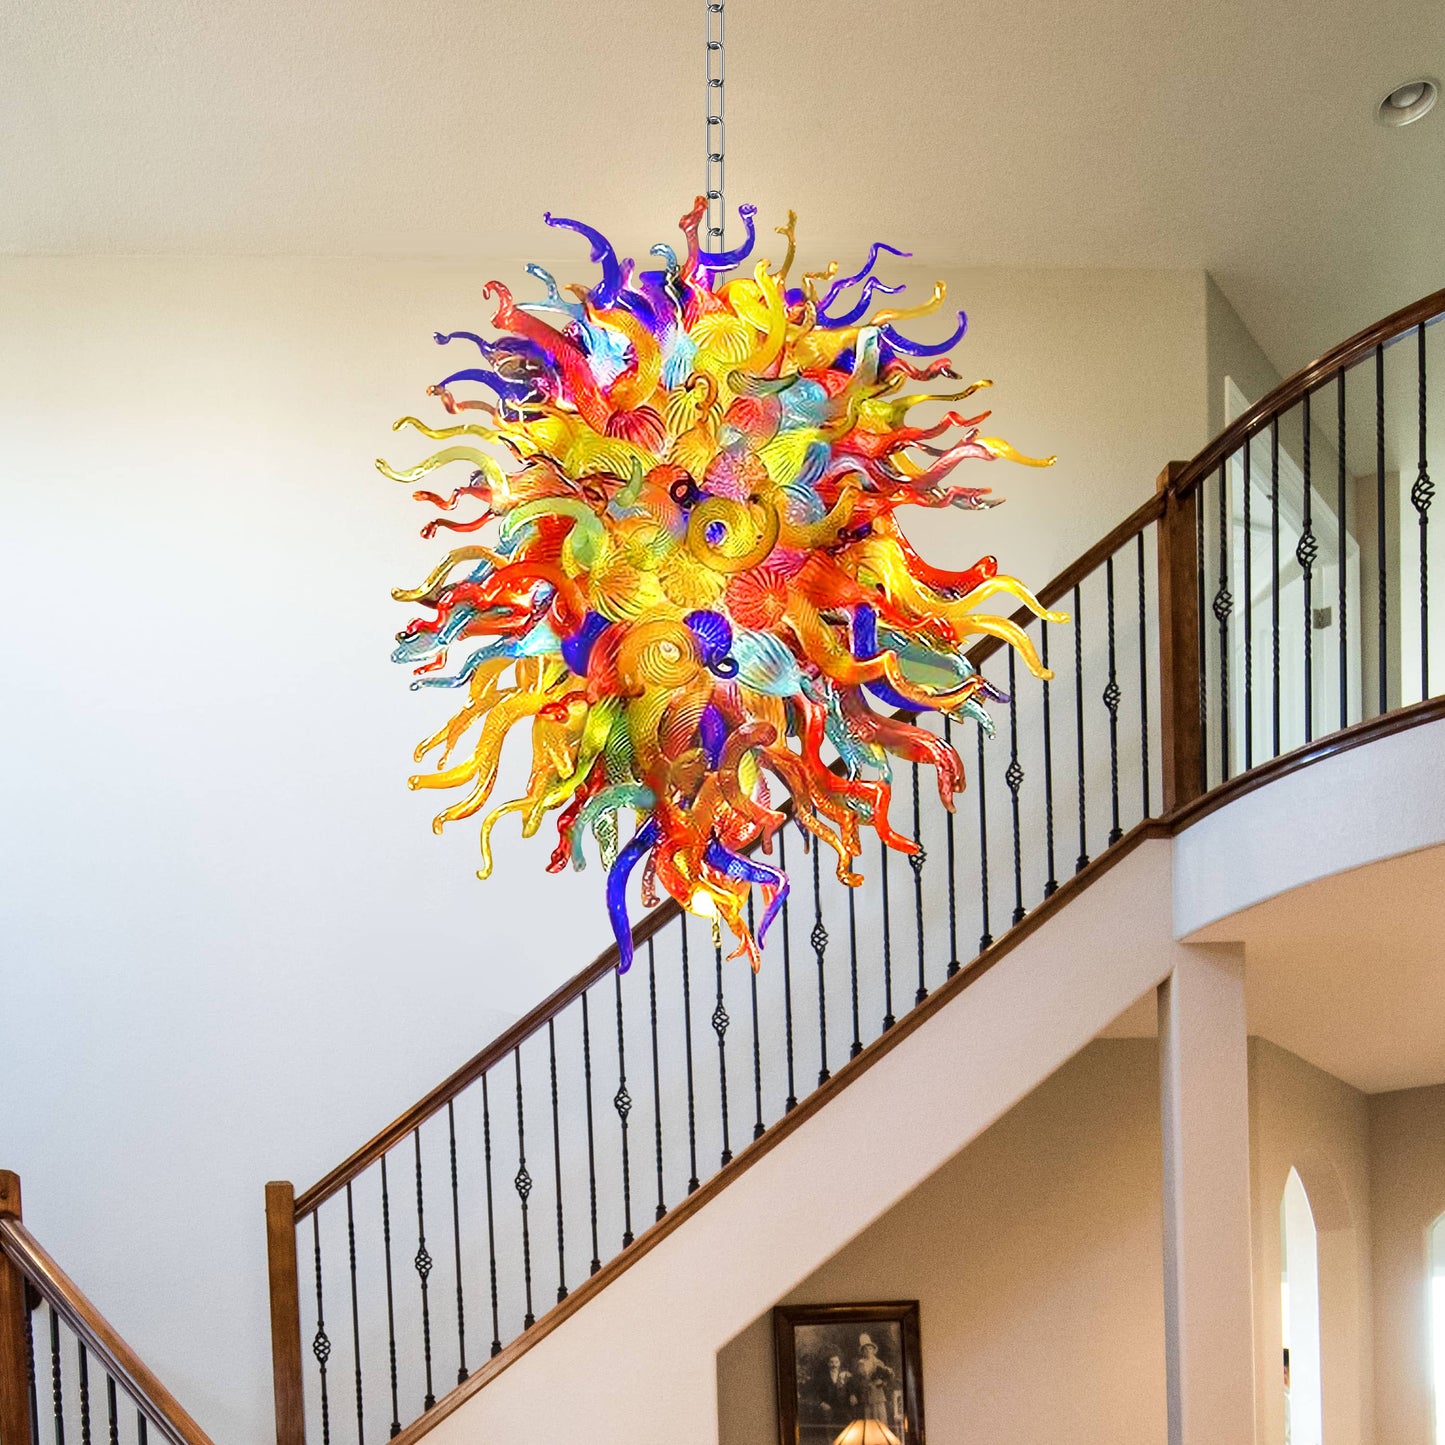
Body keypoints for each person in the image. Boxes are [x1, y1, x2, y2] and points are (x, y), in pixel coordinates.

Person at [853, 1334, 898, 1423]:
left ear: (873, 1350)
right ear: (862, 1351)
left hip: (878, 1395)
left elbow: (886, 1378)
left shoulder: (879, 1363)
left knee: (880, 1420)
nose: (868, 1350)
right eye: (865, 1349)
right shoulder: (859, 1364)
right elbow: (857, 1380)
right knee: (868, 1421)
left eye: (870, 1348)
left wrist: (881, 1382)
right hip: (865, 1395)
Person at [812, 1352, 854, 1422]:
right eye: (831, 1362)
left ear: (840, 1363)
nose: (834, 1365)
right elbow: (815, 1392)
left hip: (844, 1408)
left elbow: (852, 1388)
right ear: (828, 1363)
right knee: (830, 1428)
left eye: (836, 1362)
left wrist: (853, 1395)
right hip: (828, 1408)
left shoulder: (846, 1375)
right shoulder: (821, 1377)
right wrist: (821, 1403)